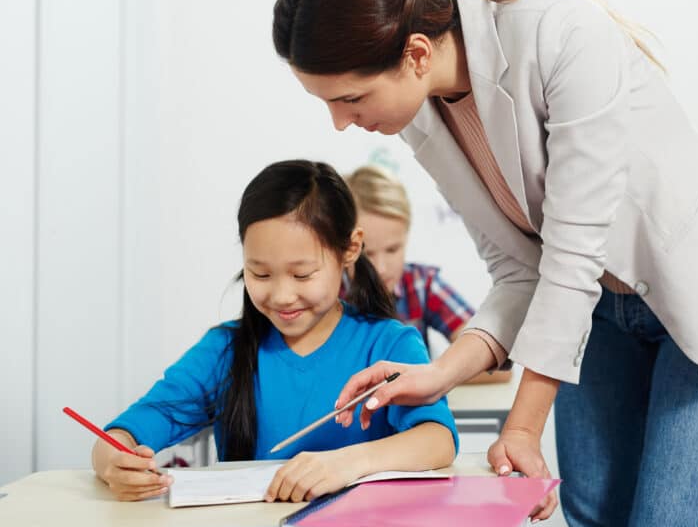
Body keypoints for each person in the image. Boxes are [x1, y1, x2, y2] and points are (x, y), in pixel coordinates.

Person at [271, 0, 698, 527]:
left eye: (350, 98)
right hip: (600, 307)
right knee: (594, 515)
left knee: (665, 521)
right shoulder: (421, 116)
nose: (341, 123)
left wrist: (520, 426)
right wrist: (440, 373)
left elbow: (571, 253)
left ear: (416, 53)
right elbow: (519, 269)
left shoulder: (563, 34)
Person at [90, 160, 457, 502]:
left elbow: (437, 440)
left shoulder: (389, 343)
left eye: (302, 274)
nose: (282, 295)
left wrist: (346, 464)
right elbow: (123, 434)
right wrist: (114, 463)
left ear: (350, 249)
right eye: (261, 274)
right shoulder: (225, 350)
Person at [347, 164, 510, 384]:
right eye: (366, 254)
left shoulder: (421, 285)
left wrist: (430, 376)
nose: (381, 268)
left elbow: (497, 367)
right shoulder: (325, 294)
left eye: (393, 249)